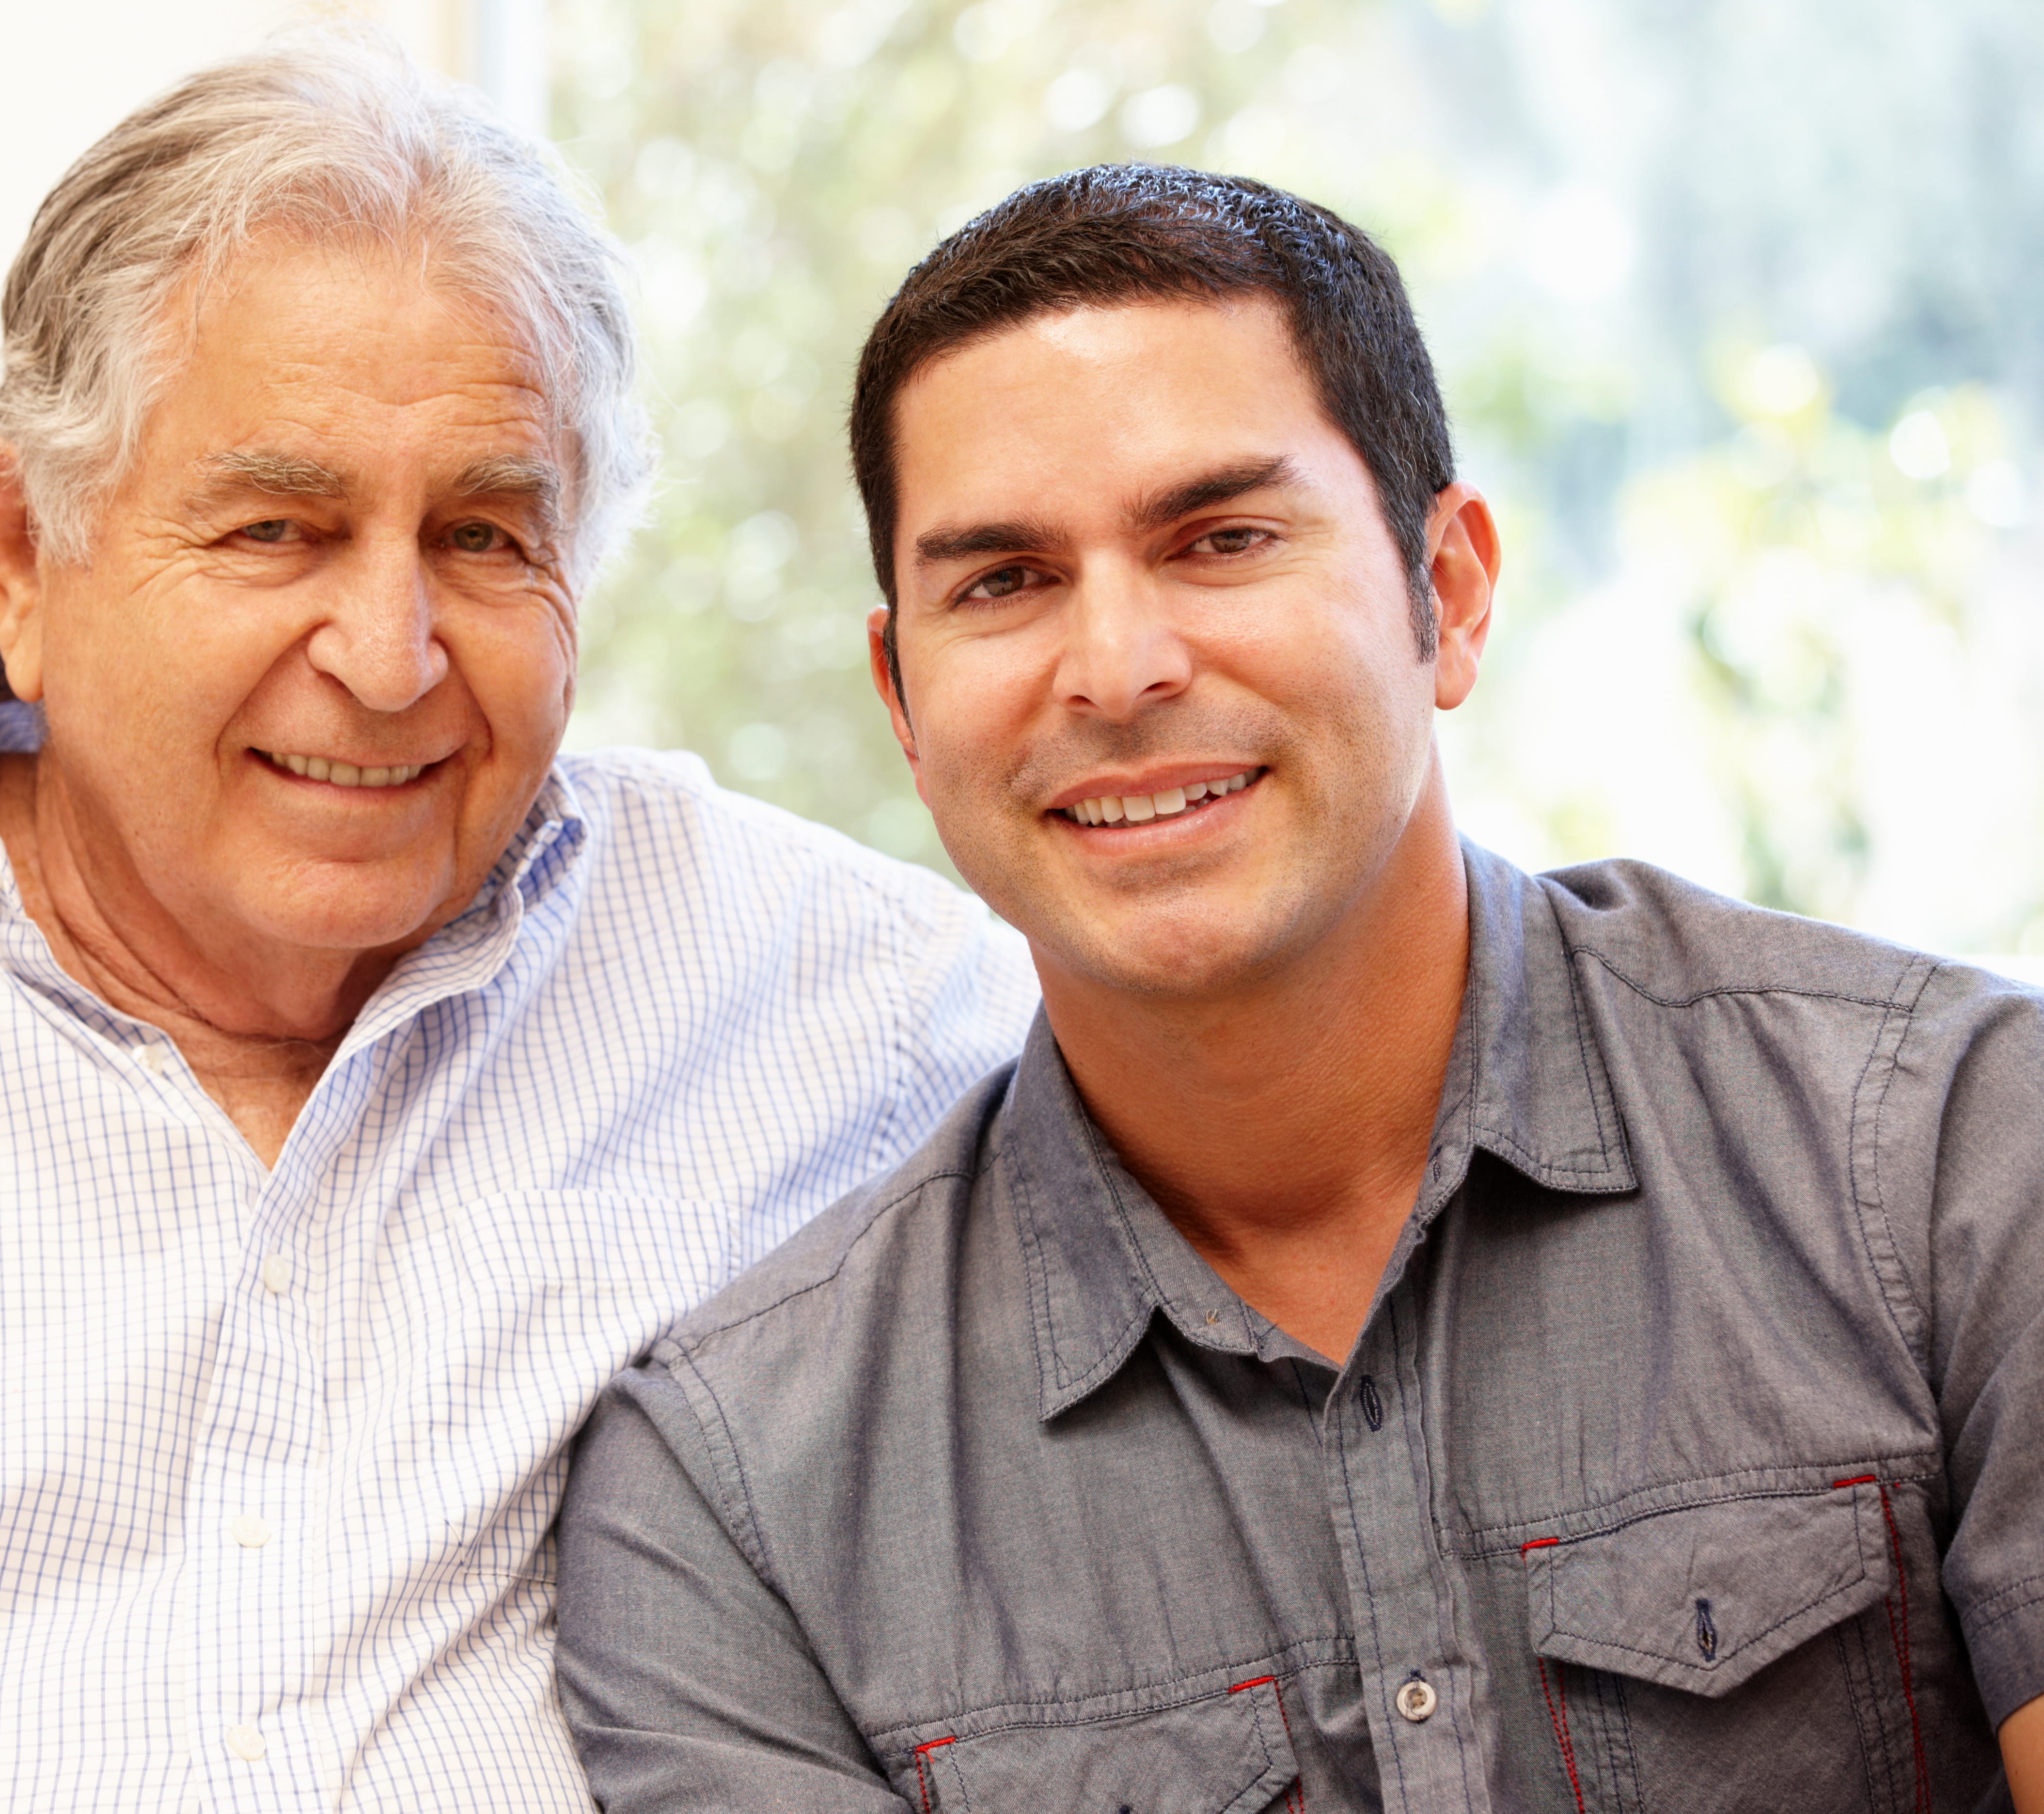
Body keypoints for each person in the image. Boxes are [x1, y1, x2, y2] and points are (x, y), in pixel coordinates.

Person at [0, 36, 1038, 1809]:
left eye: (483, 537)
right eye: (277, 530)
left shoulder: (842, 998)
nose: (390, 658)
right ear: (18, 549)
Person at [554, 165, 2044, 1811]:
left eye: (1223, 540)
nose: (1118, 670)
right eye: (1004, 582)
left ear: (1447, 594)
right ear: (903, 698)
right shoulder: (733, 1499)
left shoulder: (1953, 1158)